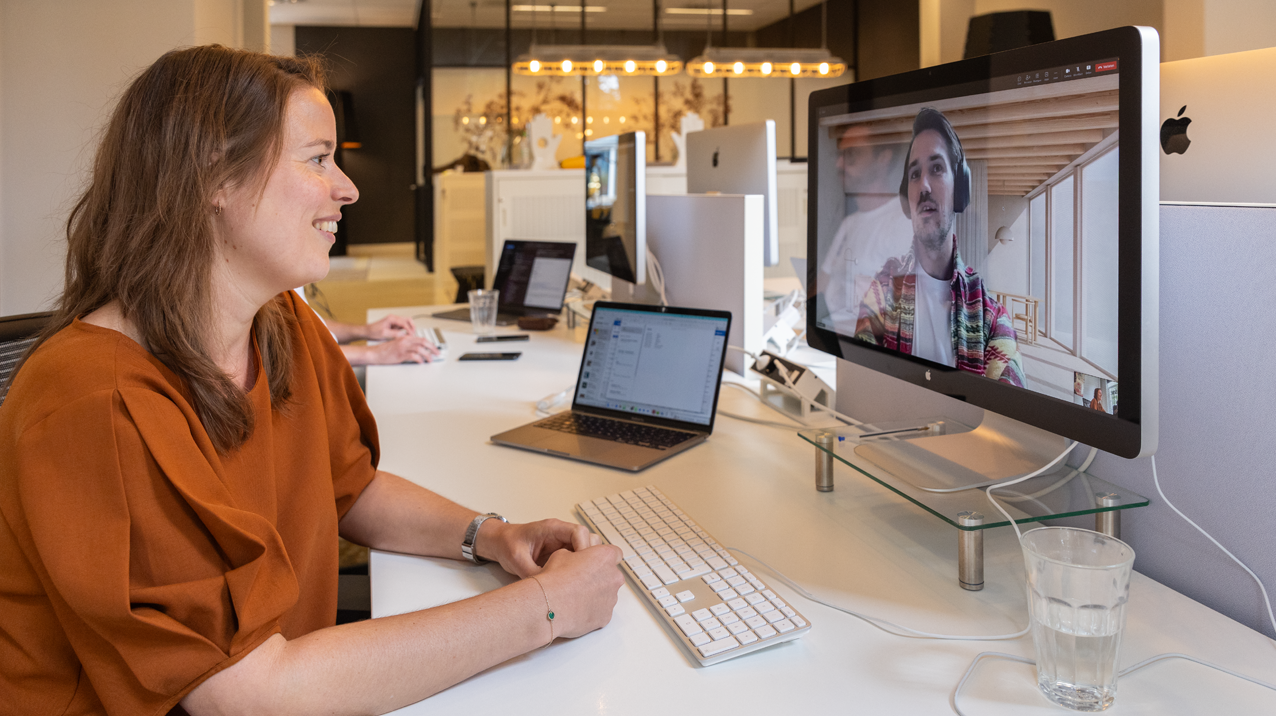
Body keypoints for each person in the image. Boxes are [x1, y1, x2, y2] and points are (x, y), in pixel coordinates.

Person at [0, 45, 623, 715]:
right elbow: (246, 695)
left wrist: (491, 535)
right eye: (318, 158)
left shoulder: (281, 322)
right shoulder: (95, 401)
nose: (347, 188)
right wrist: (546, 610)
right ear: (213, 176)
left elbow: (349, 486)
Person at [854, 107, 1024, 386]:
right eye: (914, 174)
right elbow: (860, 382)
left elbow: (1012, 404)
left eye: (936, 168)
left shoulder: (991, 316)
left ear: (960, 189)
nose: (923, 186)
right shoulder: (882, 291)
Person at [816, 125, 914, 334]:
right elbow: (820, 287)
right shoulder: (849, 223)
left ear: (883, 159)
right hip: (829, 336)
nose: (839, 164)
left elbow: (903, 317)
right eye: (840, 155)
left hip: (863, 345)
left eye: (851, 155)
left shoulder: (904, 221)